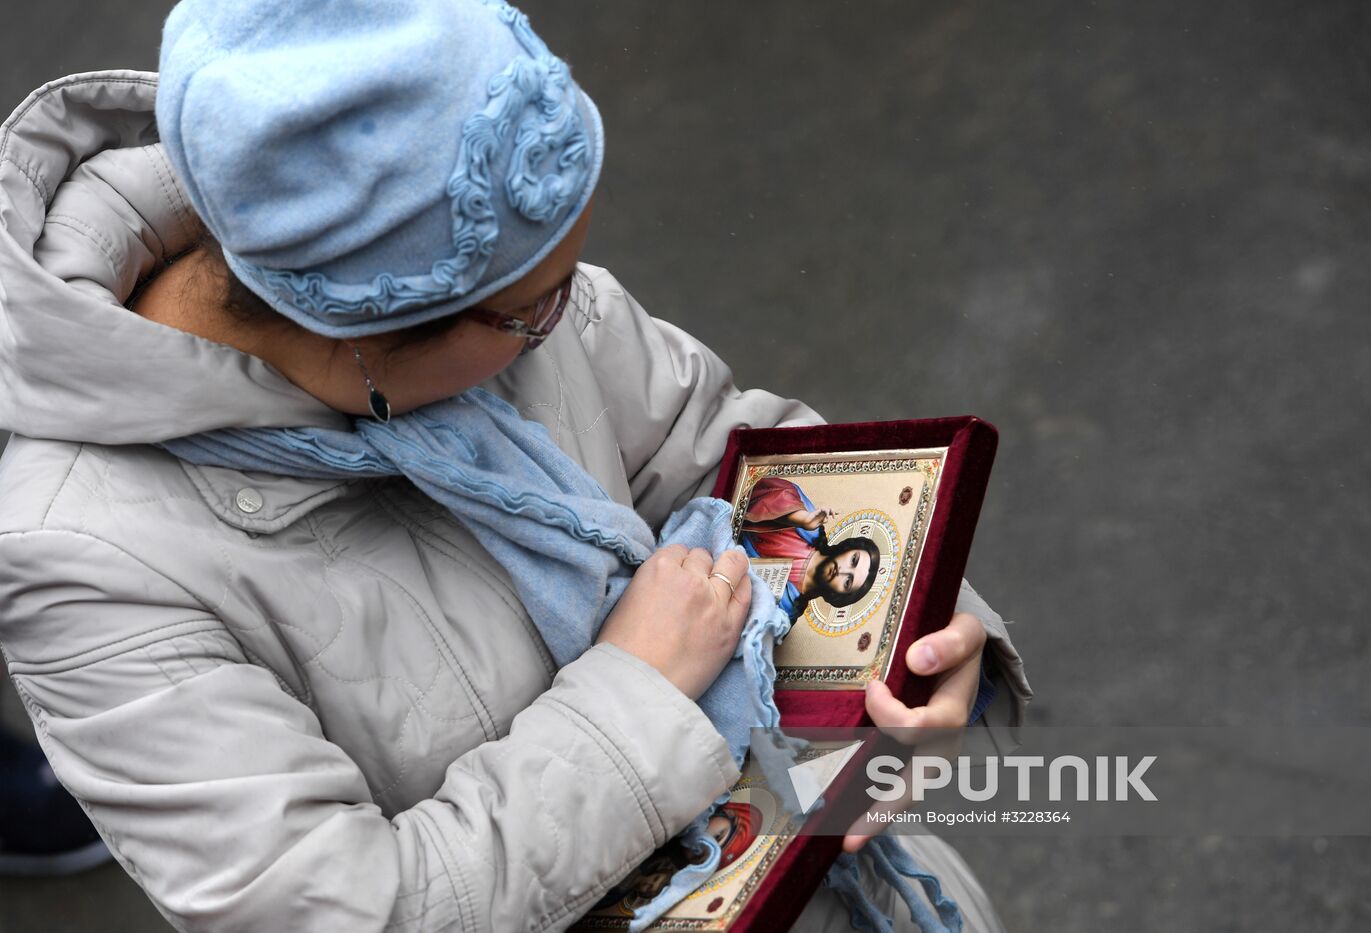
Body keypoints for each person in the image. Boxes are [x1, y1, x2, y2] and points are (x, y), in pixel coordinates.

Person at [0, 1, 1030, 929]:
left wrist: (918, 639)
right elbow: (345, 908)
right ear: (365, 341)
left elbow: (720, 452)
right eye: (531, 309)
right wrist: (640, 692)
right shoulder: (87, 560)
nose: (566, 316)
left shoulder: (479, 278)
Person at [739, 475, 882, 620]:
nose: (842, 571)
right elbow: (772, 488)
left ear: (840, 595)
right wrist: (799, 518)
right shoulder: (810, 528)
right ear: (848, 549)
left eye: (848, 582)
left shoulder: (787, 609)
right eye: (853, 560)